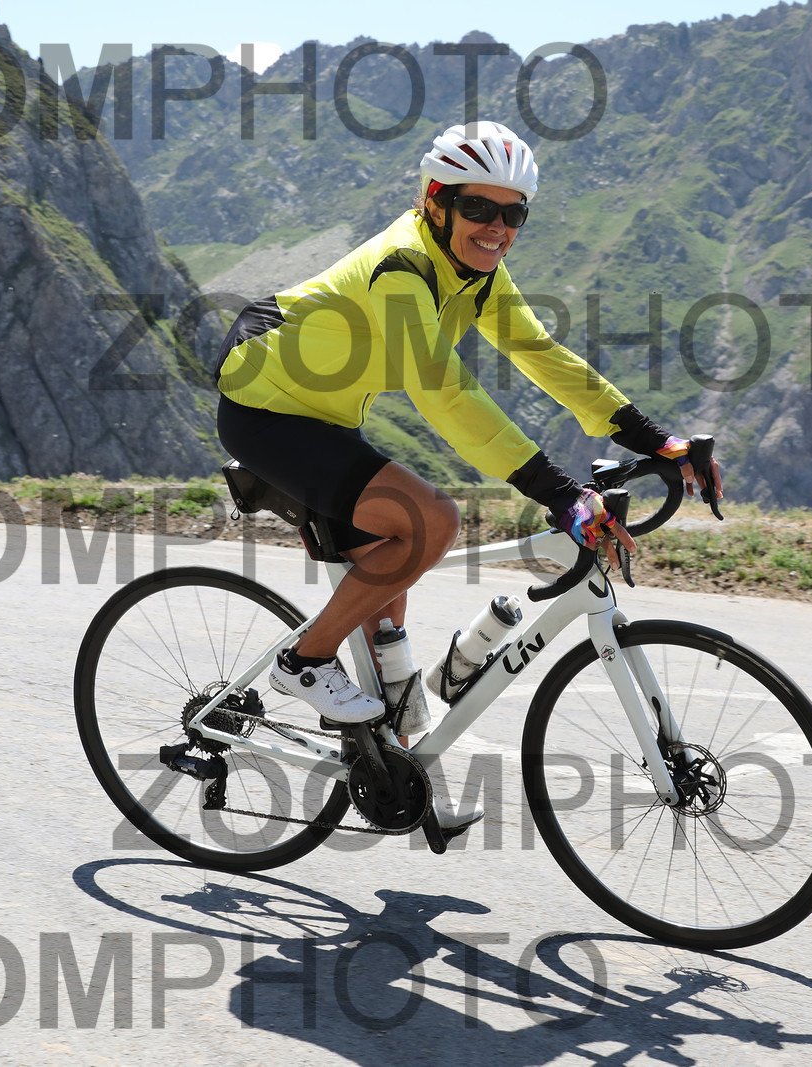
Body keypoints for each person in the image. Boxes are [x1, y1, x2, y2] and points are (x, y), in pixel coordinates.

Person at [215, 120, 721, 737]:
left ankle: (386, 764)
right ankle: (304, 662)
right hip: (264, 405)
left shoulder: (478, 274)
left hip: (328, 417)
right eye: (478, 208)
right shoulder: (403, 267)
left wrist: (653, 438)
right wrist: (559, 492)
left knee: (386, 618)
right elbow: (444, 391)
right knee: (431, 522)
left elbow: (541, 354)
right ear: (436, 202)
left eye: (514, 214)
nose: (497, 227)